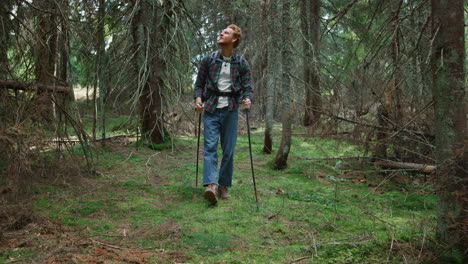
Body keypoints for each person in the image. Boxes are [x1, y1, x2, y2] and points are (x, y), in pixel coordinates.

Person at [194, 24, 253, 204]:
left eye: (226, 33)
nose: (221, 33)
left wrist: (247, 99)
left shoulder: (241, 63)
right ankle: (211, 185)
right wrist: (198, 100)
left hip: (231, 110)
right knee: (210, 148)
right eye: (221, 32)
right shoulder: (209, 60)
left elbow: (248, 87)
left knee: (228, 151)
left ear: (234, 39)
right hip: (211, 109)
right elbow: (199, 85)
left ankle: (223, 185)